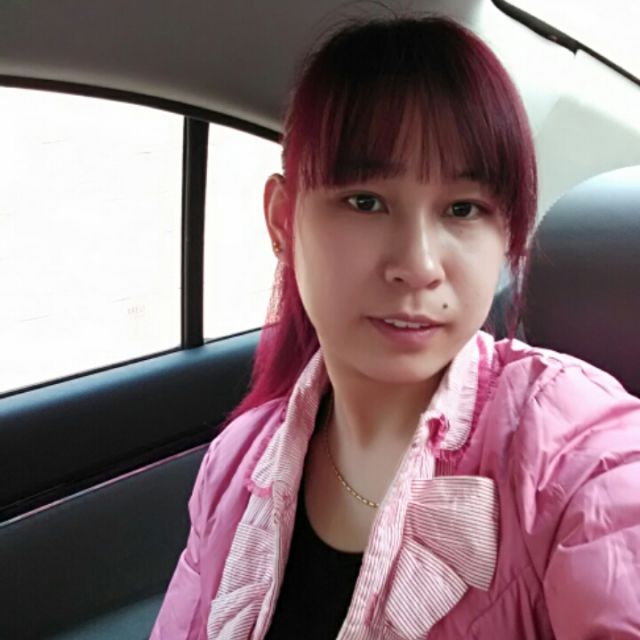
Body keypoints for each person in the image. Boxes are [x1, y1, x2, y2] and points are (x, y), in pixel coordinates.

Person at [151, 15, 640, 640]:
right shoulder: (234, 466)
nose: (418, 265)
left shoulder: (577, 455)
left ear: (507, 236)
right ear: (282, 221)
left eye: (463, 209)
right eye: (366, 202)